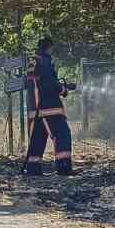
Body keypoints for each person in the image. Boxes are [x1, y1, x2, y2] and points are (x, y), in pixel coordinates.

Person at [23, 36, 76, 176]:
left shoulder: (32, 61)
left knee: (37, 139)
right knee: (62, 134)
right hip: (50, 108)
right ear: (49, 47)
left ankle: (33, 169)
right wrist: (63, 90)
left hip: (34, 110)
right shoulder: (46, 60)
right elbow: (49, 83)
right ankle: (64, 166)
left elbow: (35, 83)